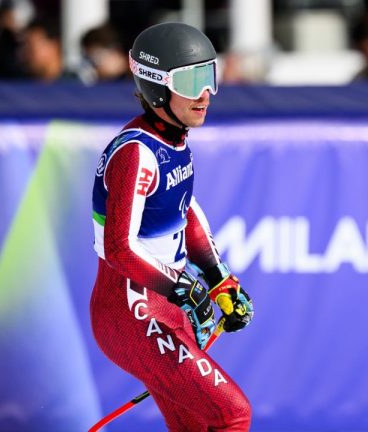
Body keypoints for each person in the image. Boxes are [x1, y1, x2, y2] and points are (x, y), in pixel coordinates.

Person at [90, 22, 253, 430]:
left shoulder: (173, 140)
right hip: (131, 313)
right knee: (233, 415)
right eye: (192, 80)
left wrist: (218, 278)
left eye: (210, 76)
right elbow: (120, 250)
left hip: (160, 307)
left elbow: (186, 209)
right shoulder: (136, 154)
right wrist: (181, 286)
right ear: (158, 87)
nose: (206, 94)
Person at [20, 17, 77, 82]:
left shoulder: (78, 86)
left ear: (54, 46)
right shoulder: (17, 85)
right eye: (24, 47)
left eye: (30, 47)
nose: (24, 54)